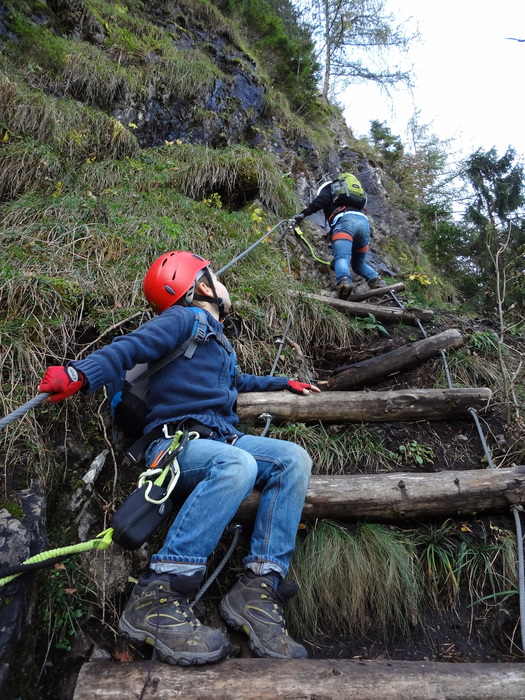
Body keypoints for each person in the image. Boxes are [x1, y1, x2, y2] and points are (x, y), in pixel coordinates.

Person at [38, 250, 320, 667]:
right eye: (215, 277)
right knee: (236, 465)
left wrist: (284, 382)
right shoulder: (183, 319)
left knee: (292, 458)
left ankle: (258, 588)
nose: (223, 283)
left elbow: (236, 381)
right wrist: (81, 374)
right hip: (176, 443)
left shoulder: (217, 340)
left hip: (223, 436)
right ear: (203, 286)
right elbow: (129, 347)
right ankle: (159, 592)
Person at [293, 173, 386, 299]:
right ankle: (377, 282)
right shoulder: (352, 195)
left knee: (341, 258)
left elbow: (320, 202)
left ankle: (344, 282)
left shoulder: (328, 189)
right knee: (358, 263)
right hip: (364, 224)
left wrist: (303, 214)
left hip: (344, 222)